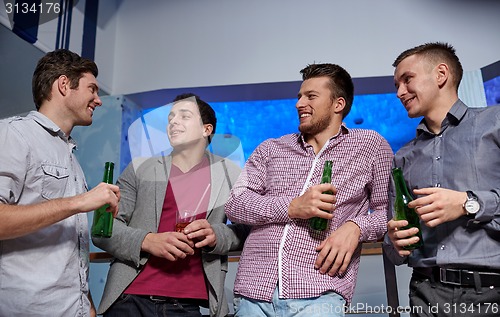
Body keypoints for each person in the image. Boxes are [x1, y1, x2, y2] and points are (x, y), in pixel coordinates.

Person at [225, 63, 393, 317]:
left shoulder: (371, 146)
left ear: (338, 104)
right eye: (299, 96)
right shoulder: (270, 148)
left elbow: (389, 212)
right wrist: (292, 207)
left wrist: (357, 227)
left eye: (310, 96)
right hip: (253, 293)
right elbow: (236, 203)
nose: (299, 103)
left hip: (320, 292)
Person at [93, 93, 249, 317]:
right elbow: (102, 230)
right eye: (170, 118)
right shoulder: (139, 169)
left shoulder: (231, 175)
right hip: (128, 299)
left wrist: (216, 235)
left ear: (207, 130)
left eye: (184, 116)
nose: (173, 122)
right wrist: (147, 241)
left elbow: (248, 231)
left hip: (188, 305)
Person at [0, 49, 120, 316]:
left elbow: (69, 245)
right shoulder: (14, 135)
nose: (99, 101)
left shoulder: (70, 157)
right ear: (64, 85)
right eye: (92, 89)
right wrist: (80, 202)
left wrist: (86, 305)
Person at [384, 42, 500, 317]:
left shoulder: (494, 123)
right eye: (396, 85)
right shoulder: (403, 157)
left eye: (407, 79)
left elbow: (471, 204)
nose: (400, 92)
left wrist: (468, 203)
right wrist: (395, 242)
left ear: (441, 74)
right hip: (424, 295)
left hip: (490, 294)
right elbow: (394, 252)